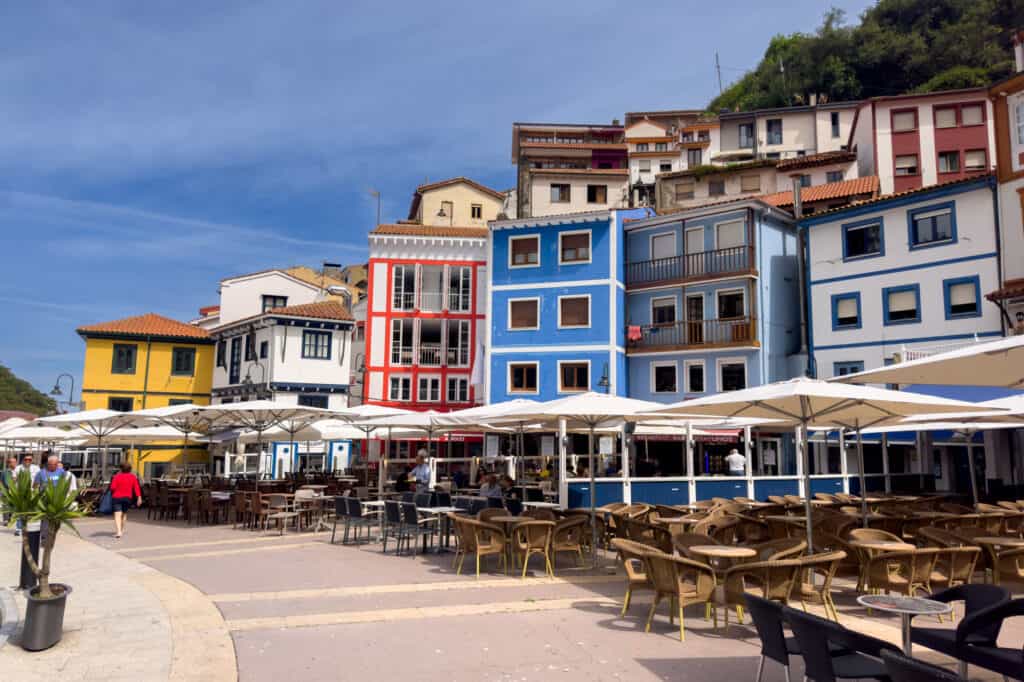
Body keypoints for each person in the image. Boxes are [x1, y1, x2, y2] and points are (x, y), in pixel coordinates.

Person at [109, 462, 142, 539]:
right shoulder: (133, 477)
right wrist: (139, 497)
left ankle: (119, 531)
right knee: (124, 514)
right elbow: (136, 488)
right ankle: (121, 530)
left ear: (121, 469)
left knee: (117, 515)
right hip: (127, 498)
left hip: (117, 497)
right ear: (130, 469)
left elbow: (112, 488)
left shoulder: (116, 477)